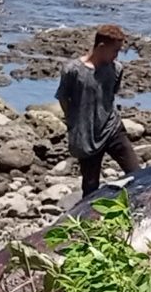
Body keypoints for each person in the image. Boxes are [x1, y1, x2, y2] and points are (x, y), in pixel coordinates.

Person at [56, 23, 142, 197]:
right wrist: (74, 123)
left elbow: (110, 96)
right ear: (101, 47)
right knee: (90, 186)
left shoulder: (116, 69)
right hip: (86, 136)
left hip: (112, 129)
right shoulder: (73, 70)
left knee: (137, 173)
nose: (116, 55)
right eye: (115, 51)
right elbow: (64, 98)